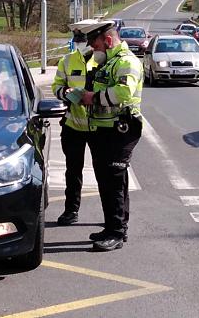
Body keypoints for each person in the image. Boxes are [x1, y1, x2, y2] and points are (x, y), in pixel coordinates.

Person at [80, 21, 143, 252]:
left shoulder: (126, 62)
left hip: (120, 131)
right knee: (107, 182)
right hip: (104, 130)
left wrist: (92, 98)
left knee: (114, 182)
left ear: (107, 41)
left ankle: (116, 232)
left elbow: (123, 91)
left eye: (95, 45)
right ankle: (113, 226)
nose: (93, 49)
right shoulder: (109, 62)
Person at [51, 20, 102, 226]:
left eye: (83, 39)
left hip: (101, 127)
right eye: (77, 39)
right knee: (73, 171)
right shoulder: (67, 60)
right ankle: (71, 210)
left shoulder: (104, 61)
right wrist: (65, 93)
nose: (80, 42)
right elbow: (57, 86)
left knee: (106, 174)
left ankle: (113, 217)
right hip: (74, 126)